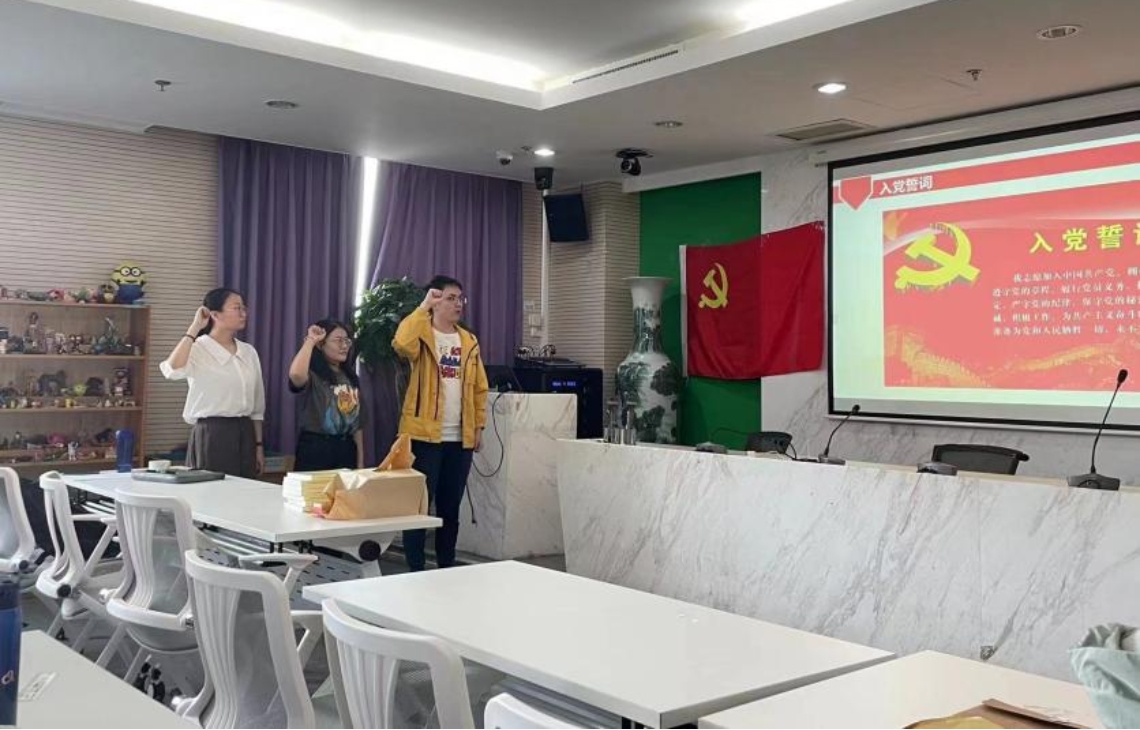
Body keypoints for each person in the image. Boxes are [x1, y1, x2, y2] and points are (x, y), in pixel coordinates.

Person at [393, 275, 489, 571]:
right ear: (435, 301)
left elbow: (479, 388)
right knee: (419, 508)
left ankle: (446, 567)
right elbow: (401, 343)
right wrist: (422, 308)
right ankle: (415, 570)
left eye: (460, 298)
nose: (458, 304)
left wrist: (478, 426)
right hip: (424, 437)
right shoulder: (421, 334)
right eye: (450, 298)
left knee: (450, 509)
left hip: (459, 439)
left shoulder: (469, 341)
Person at [160, 288, 266, 477]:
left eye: (244, 308)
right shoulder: (199, 348)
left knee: (246, 490)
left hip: (245, 431)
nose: (243, 313)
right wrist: (194, 328)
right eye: (237, 308)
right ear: (215, 315)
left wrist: (258, 445)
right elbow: (172, 370)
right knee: (211, 489)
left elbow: (257, 406)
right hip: (212, 433)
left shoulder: (248, 352)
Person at [287, 319, 366, 471]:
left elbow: (358, 424)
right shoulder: (312, 374)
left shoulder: (351, 377)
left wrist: (360, 462)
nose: (344, 346)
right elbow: (296, 375)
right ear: (321, 344)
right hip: (316, 448)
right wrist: (311, 340)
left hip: (346, 447)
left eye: (347, 341)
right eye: (338, 340)